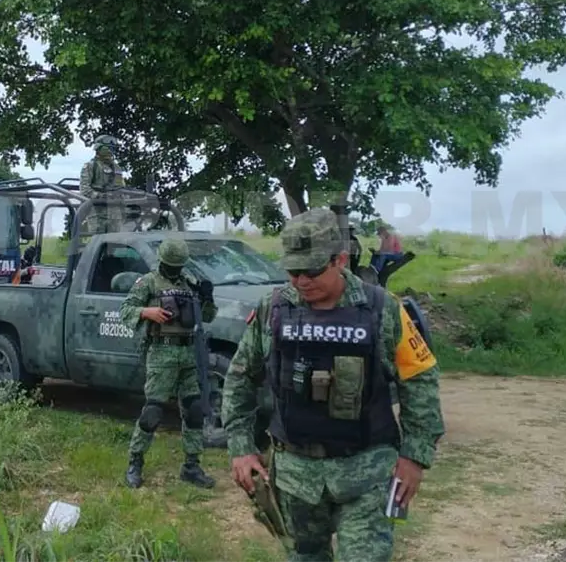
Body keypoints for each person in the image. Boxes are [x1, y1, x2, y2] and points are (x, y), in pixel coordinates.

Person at [222, 207, 445, 562]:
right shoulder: (274, 309)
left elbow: (420, 381)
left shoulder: (381, 309)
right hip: (295, 478)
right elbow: (239, 377)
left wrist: (414, 457)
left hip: (367, 473)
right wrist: (240, 447)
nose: (300, 281)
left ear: (340, 259)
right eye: (292, 271)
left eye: (311, 270)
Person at [119, 237, 217, 489]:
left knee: (194, 410)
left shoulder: (188, 283)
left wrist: (207, 299)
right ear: (162, 261)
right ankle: (135, 461)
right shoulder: (148, 282)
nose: (175, 270)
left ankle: (192, 466)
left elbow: (206, 317)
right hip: (162, 354)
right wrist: (146, 312)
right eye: (171, 265)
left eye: (178, 266)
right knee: (153, 411)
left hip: (188, 354)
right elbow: (125, 310)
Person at [79, 134, 126, 235]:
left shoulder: (117, 168)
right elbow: (84, 190)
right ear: (99, 148)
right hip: (97, 213)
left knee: (116, 245)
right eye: (107, 148)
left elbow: (121, 188)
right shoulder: (91, 166)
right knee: (98, 244)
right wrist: (101, 196)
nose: (110, 151)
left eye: (112, 148)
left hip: (115, 214)